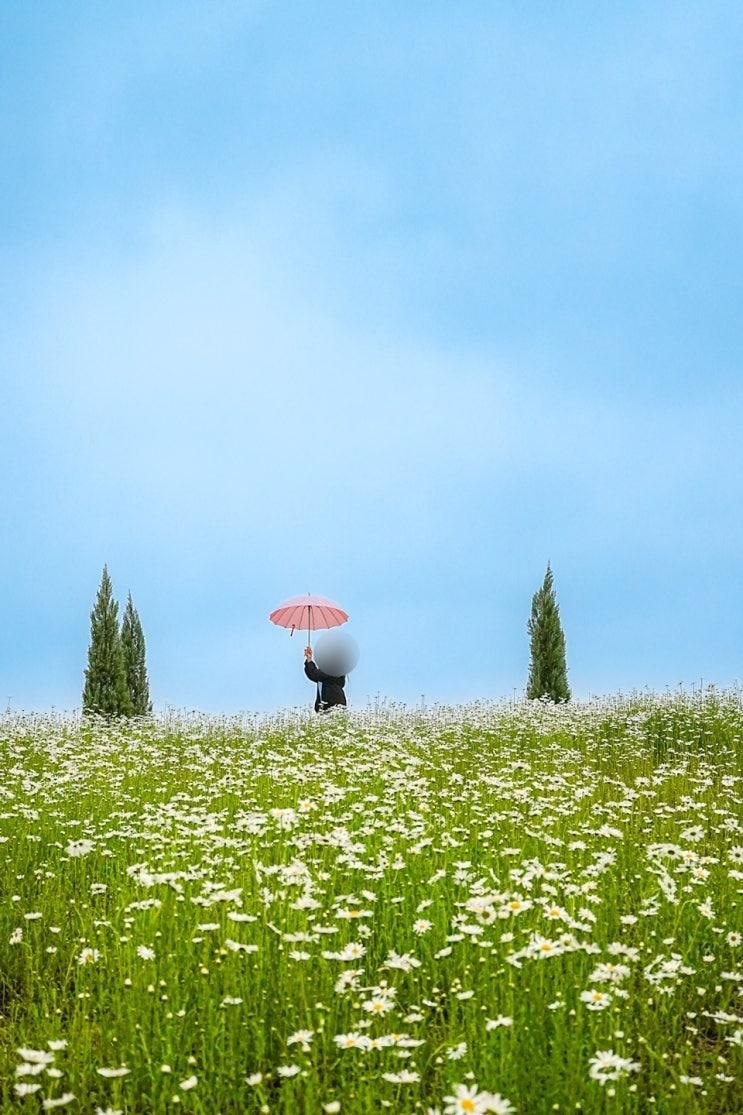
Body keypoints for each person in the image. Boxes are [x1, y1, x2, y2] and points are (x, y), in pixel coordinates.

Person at [304, 644, 347, 713]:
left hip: (334, 705)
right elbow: (314, 675)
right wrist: (309, 658)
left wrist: (309, 660)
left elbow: (316, 674)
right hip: (325, 706)